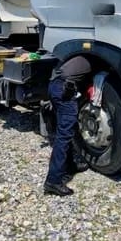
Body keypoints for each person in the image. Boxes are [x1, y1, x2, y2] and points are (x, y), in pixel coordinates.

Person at [43, 55, 93, 196]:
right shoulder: (96, 61)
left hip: (55, 85)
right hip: (65, 89)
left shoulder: (80, 56)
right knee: (64, 134)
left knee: (67, 130)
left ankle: (69, 165)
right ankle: (53, 181)